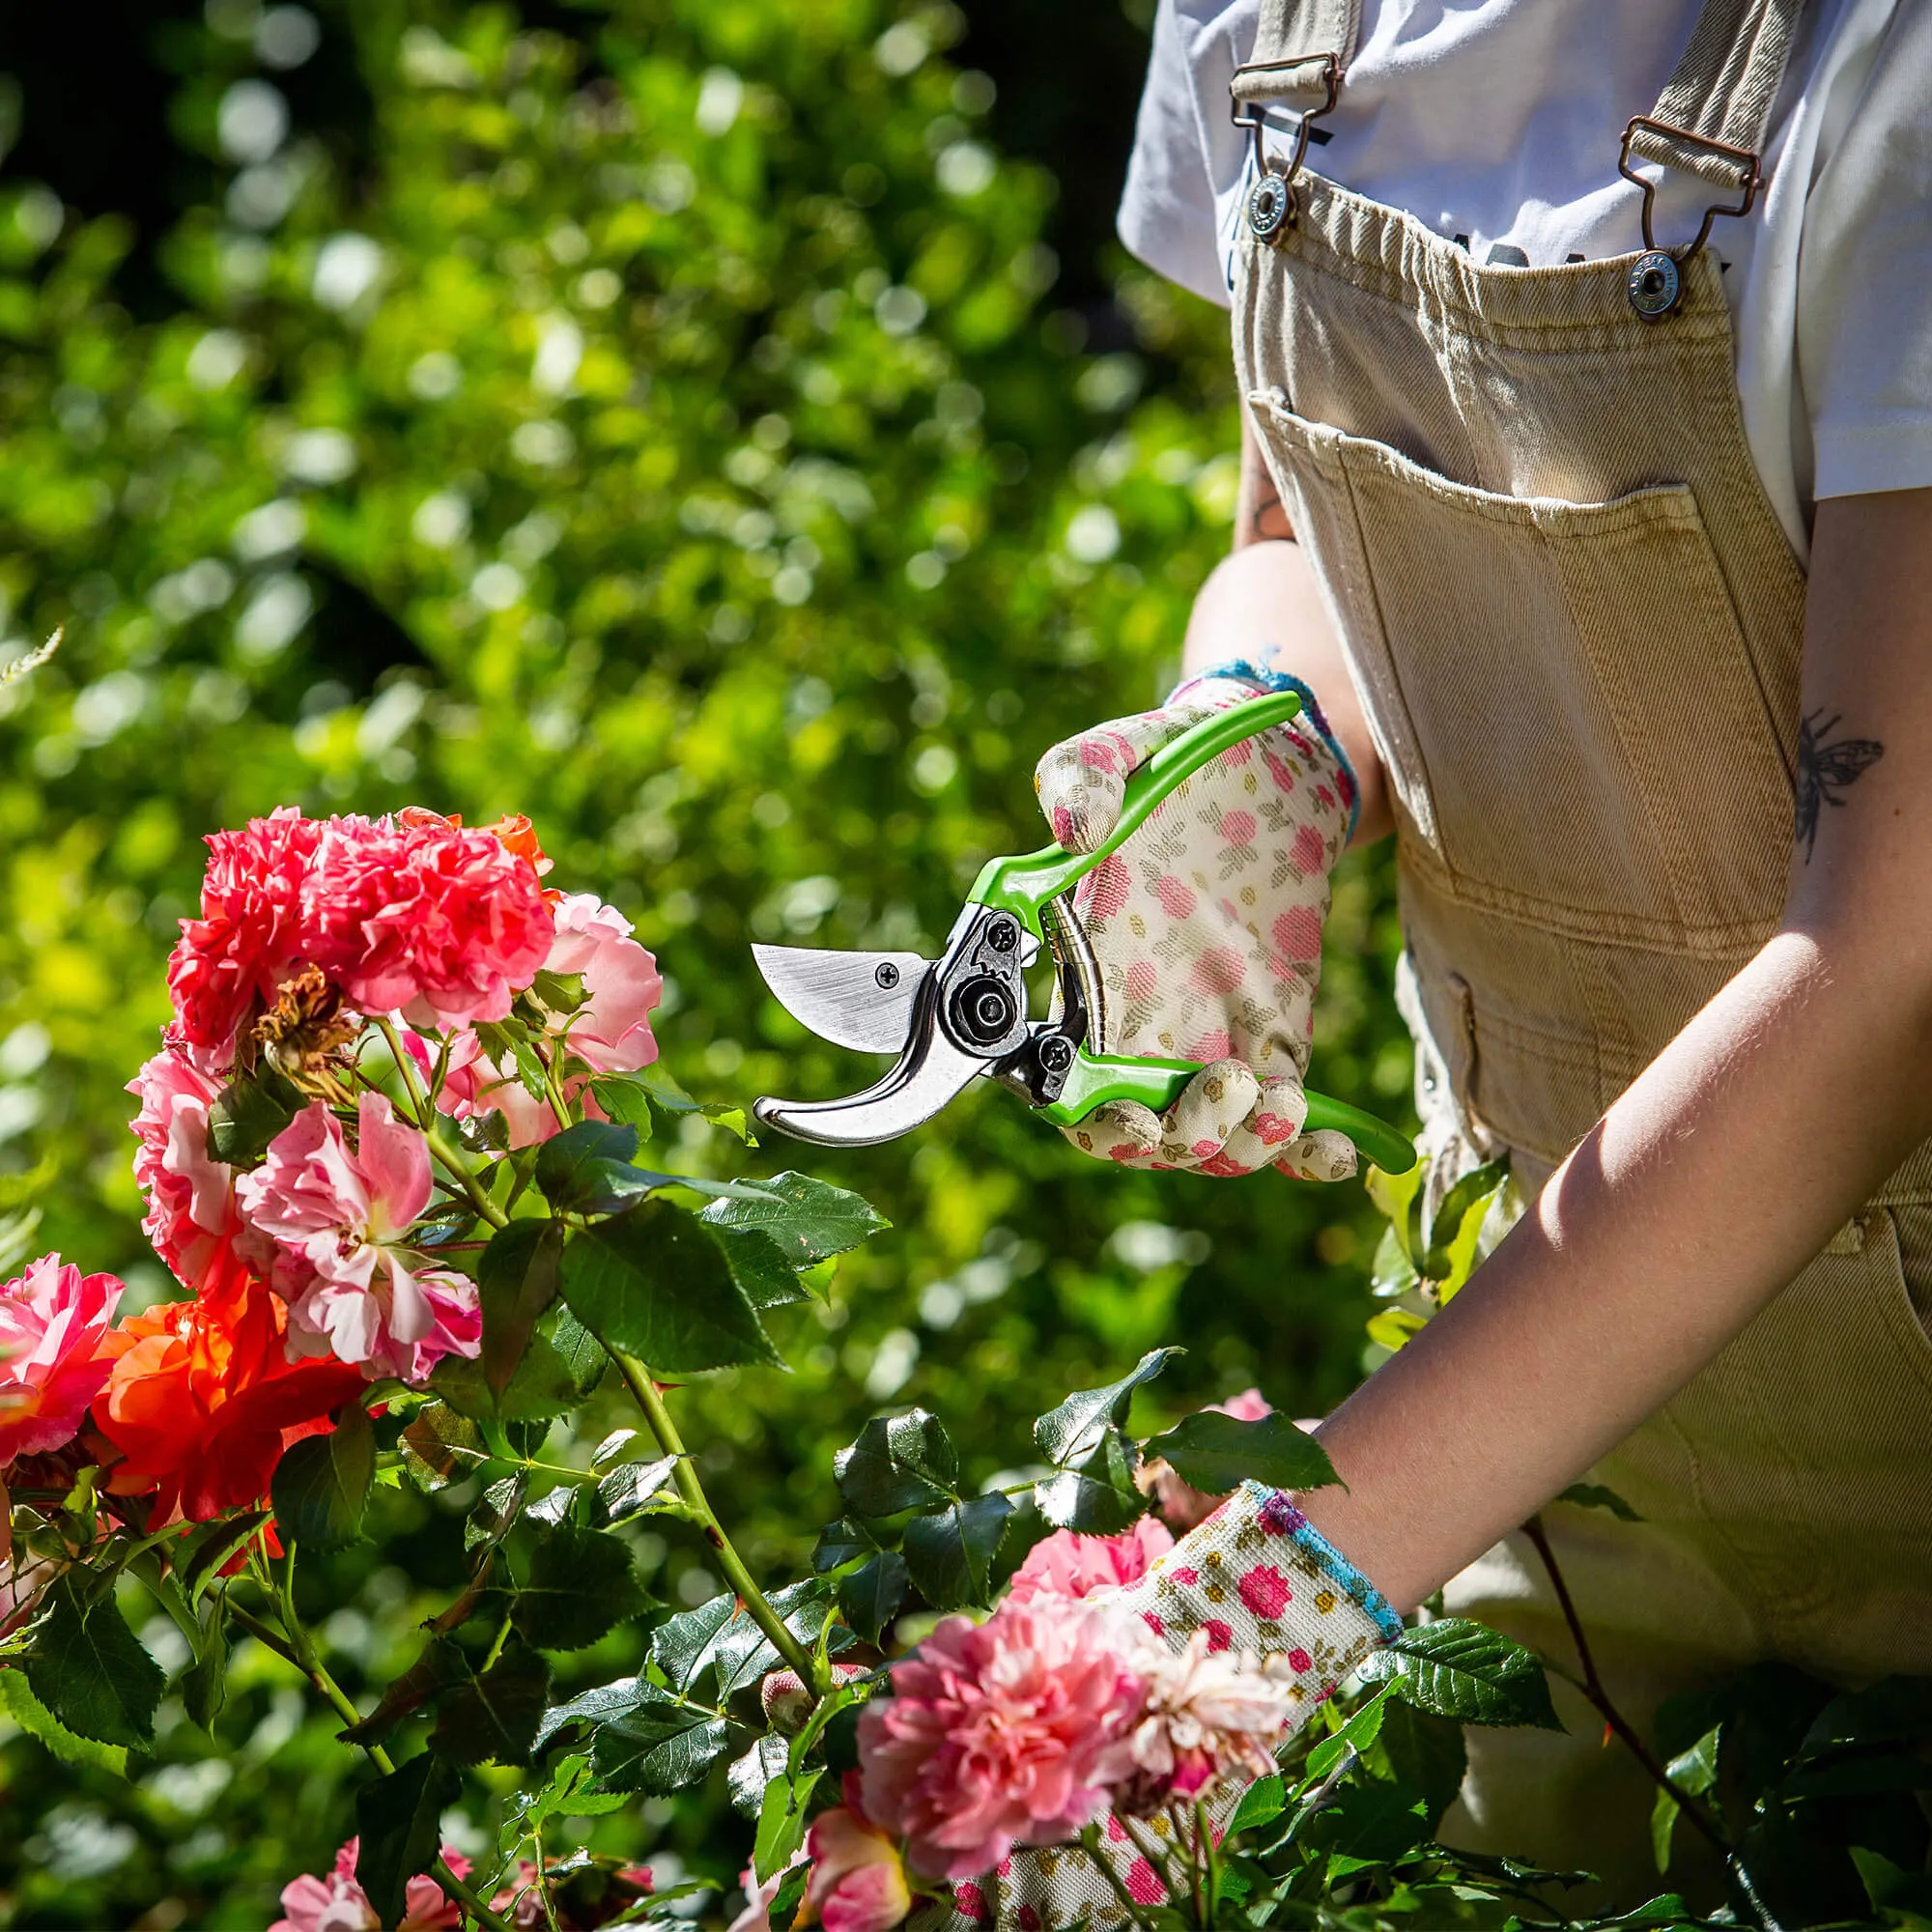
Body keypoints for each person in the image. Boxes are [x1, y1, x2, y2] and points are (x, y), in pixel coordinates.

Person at [997, 0, 1932, 1905]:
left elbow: (1893, 960)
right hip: (1540, 1393)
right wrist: (1249, 739)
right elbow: (1298, 515)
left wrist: (1282, 1594)